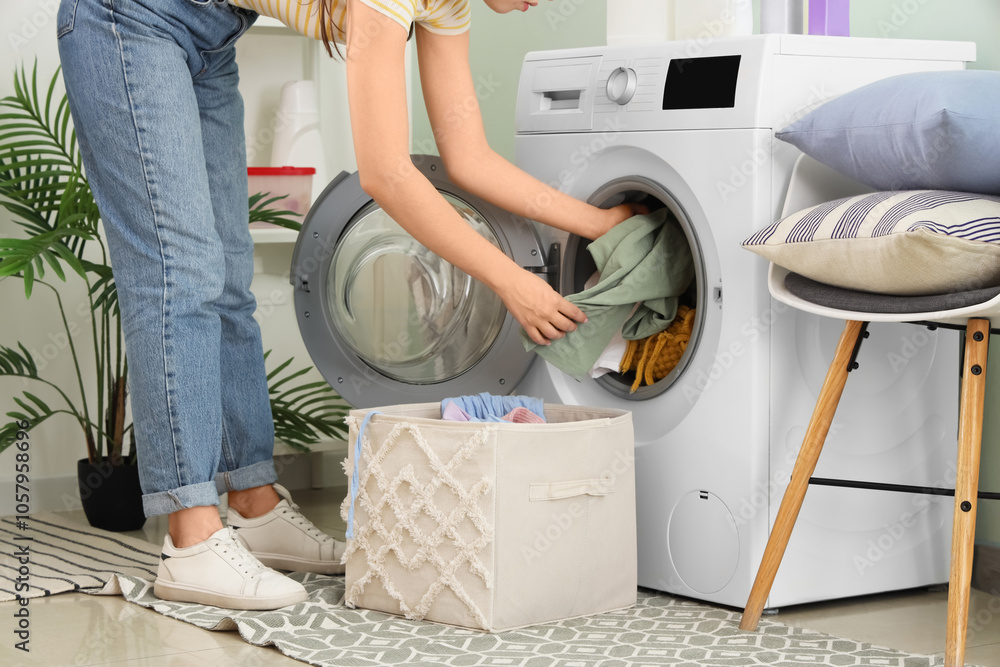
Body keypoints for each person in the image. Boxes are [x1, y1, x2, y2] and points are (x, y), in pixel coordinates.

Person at [56, 0, 641, 611]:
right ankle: (191, 537)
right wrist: (511, 282)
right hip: (130, 17)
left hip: (209, 36)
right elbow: (385, 174)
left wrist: (600, 223)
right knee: (181, 273)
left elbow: (468, 157)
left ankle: (253, 505)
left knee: (226, 279)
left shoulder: (447, 6)